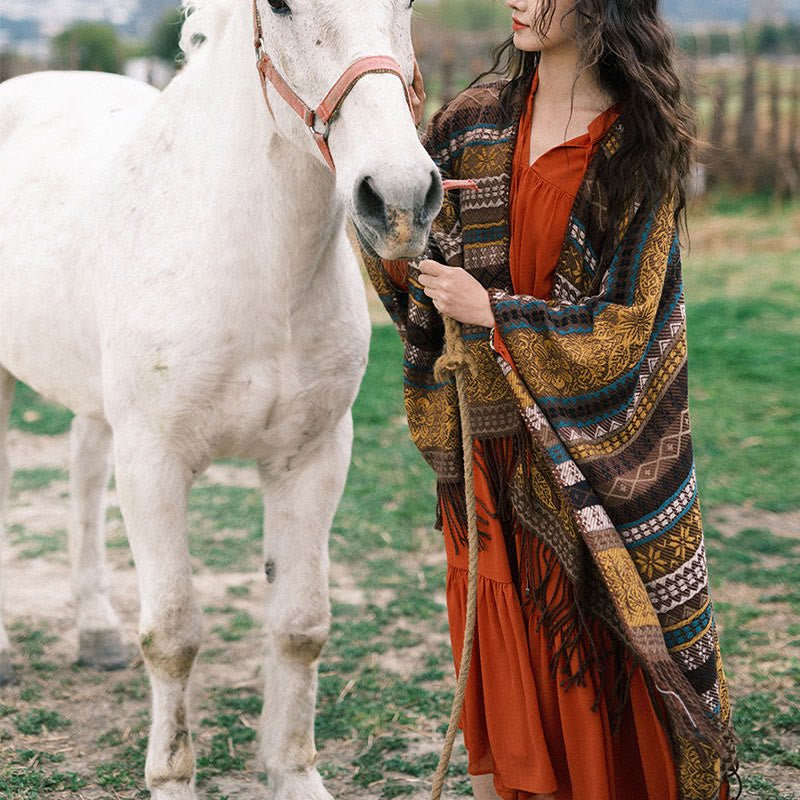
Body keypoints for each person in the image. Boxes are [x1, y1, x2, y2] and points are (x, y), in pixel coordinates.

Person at [359, 0, 738, 798]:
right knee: (511, 671)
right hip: (489, 464)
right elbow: (409, 265)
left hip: (591, 461)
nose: (518, 2)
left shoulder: (641, 143)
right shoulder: (470, 122)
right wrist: (403, 239)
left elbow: (627, 328)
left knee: (598, 665)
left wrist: (494, 312)